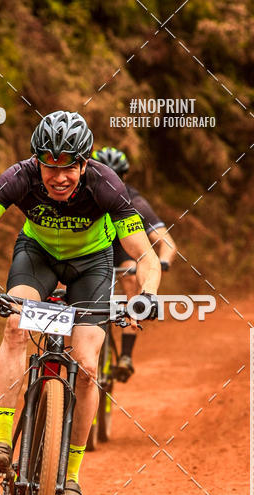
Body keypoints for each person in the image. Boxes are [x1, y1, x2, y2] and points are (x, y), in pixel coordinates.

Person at [0, 111, 162, 495]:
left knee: (87, 366)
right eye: (50, 164)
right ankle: (1, 441)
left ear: (83, 164)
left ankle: (73, 478)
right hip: (37, 258)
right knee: (15, 325)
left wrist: (147, 294)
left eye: (68, 166)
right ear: (37, 161)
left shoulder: (106, 185)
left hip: (92, 267)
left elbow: (145, 255)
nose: (58, 176)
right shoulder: (19, 177)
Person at [91, 146, 177, 381]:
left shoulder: (134, 201)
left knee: (130, 273)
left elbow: (167, 242)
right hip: (89, 249)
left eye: (116, 175)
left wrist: (162, 262)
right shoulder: (83, 193)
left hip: (121, 250)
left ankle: (126, 354)